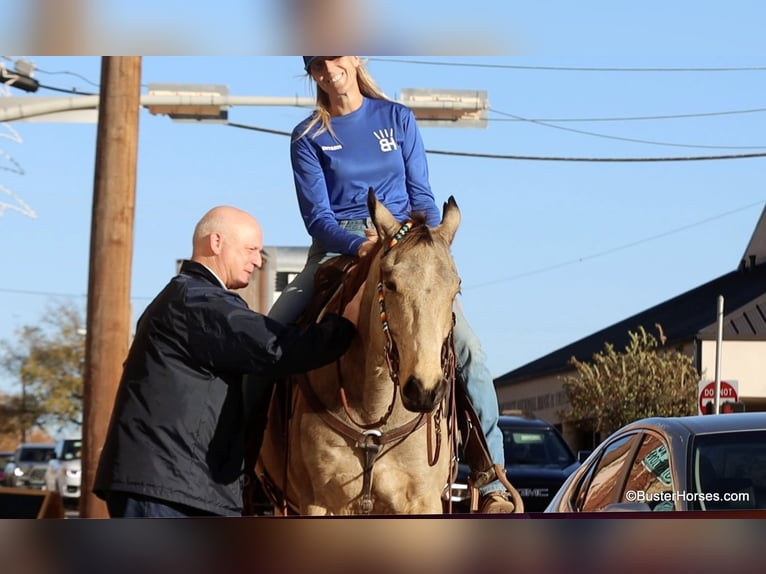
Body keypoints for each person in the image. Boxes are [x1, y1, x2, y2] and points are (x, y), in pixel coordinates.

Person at [268, 56, 514, 513]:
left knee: (470, 351)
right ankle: (248, 463)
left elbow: (421, 195)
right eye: (315, 63)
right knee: (270, 337)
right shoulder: (307, 135)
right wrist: (358, 246)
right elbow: (317, 218)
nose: (327, 69)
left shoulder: (397, 118)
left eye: (334, 57)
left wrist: (418, 242)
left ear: (356, 57)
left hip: (406, 247)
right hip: (338, 248)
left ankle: (491, 474)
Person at [93, 205, 358, 518]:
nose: (258, 261)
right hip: (170, 491)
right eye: (250, 249)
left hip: (169, 483)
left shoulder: (183, 298)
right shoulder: (197, 302)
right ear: (216, 243)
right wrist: (348, 325)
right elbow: (276, 347)